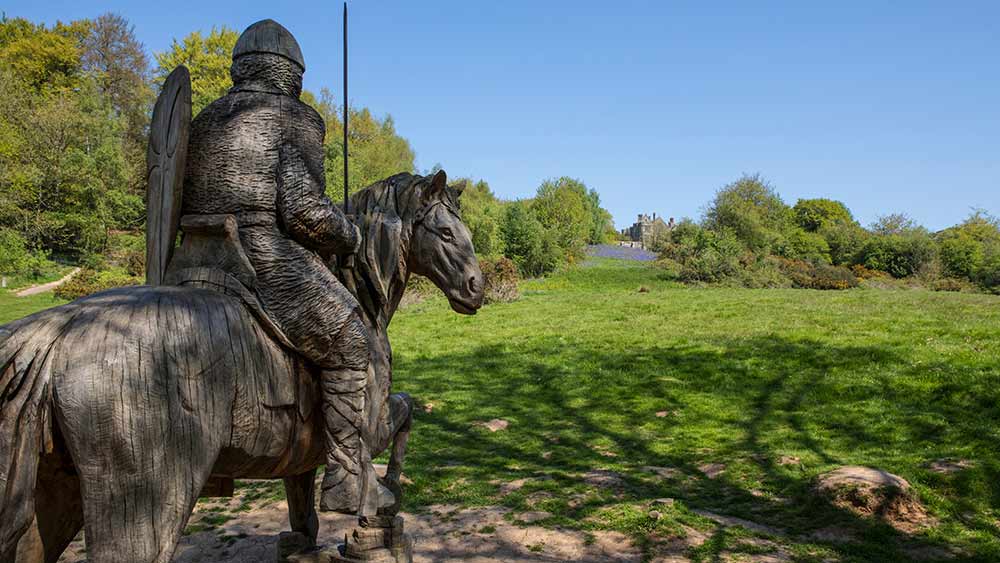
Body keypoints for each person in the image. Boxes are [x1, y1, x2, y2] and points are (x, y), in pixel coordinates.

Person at [181, 19, 390, 515]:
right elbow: (302, 212)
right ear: (291, 73)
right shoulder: (296, 117)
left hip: (191, 262)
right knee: (352, 340)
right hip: (261, 258)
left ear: (241, 67)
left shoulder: (204, 119)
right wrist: (350, 233)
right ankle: (345, 476)